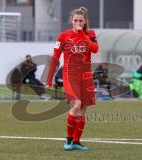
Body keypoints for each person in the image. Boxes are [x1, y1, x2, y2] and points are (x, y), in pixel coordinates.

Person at [46, 6, 99, 151]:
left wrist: (83, 36)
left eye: (80, 21)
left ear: (85, 21)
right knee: (76, 105)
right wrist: (49, 78)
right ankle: (69, 139)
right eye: (75, 20)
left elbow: (95, 49)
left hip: (86, 76)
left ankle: (76, 141)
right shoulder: (63, 36)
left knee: (83, 109)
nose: (78, 23)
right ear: (71, 21)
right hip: (70, 75)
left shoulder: (90, 34)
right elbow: (55, 57)